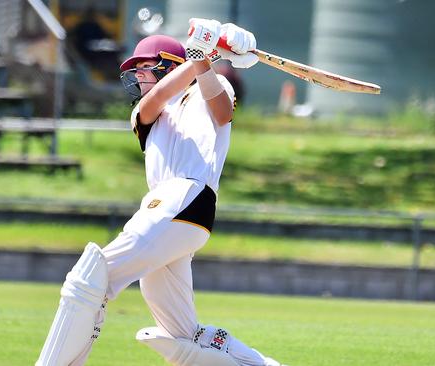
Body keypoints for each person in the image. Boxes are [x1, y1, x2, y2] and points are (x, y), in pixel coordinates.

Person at [35, 18, 286, 366]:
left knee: (89, 279)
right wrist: (206, 54)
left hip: (185, 199)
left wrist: (205, 59)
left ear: (169, 64)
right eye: (134, 70)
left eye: (144, 67)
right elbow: (160, 96)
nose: (137, 76)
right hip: (165, 209)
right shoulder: (144, 112)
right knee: (184, 335)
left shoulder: (208, 88)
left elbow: (223, 112)